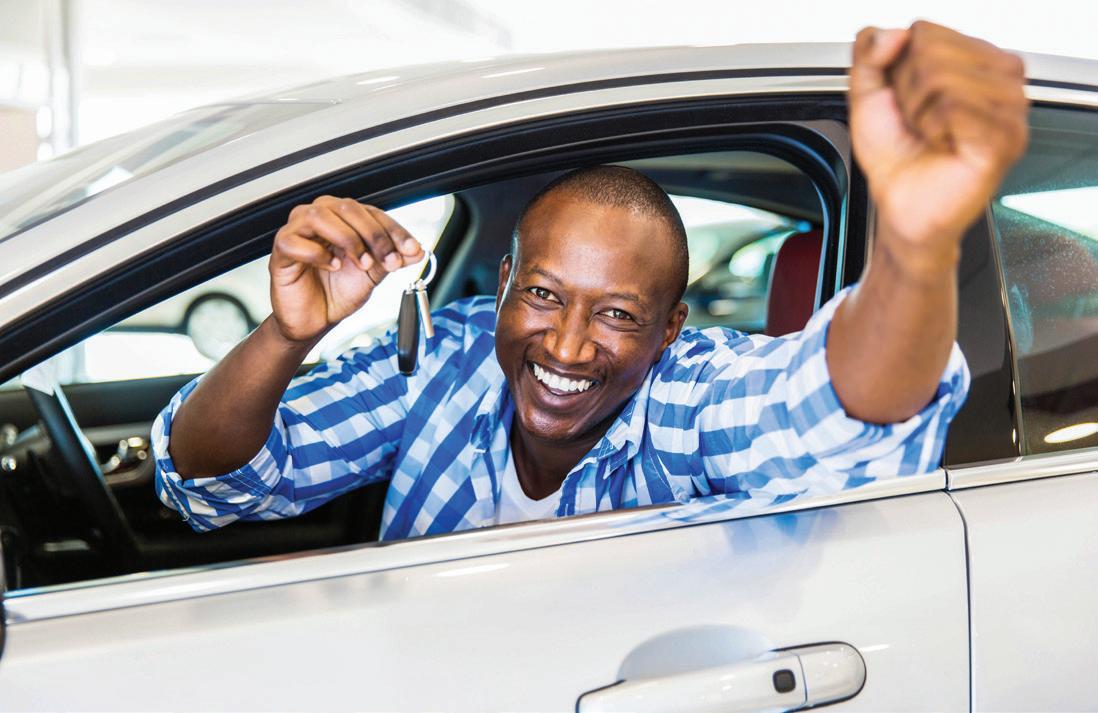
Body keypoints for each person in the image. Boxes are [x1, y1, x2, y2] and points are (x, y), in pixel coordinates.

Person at [153, 22, 1027, 538]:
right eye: (542, 294)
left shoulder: (685, 402)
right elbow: (211, 482)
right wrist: (287, 335)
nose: (568, 347)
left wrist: (916, 242)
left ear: (671, 329)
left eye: (617, 314)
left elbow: (825, 416)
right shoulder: (448, 356)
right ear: (502, 281)